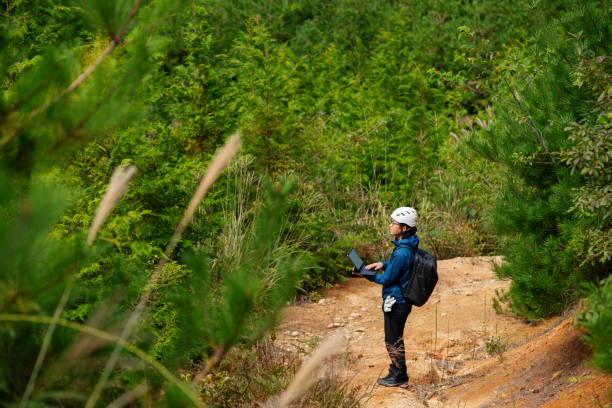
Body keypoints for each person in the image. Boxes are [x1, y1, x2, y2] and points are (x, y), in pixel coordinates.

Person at [364, 206, 418, 388]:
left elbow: (388, 279)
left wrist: (366, 274)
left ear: (404, 228)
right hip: (401, 300)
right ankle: (397, 372)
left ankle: (399, 377)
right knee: (396, 338)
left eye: (394, 223)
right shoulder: (407, 244)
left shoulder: (402, 252)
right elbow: (399, 268)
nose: (390, 225)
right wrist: (382, 263)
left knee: (392, 340)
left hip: (397, 302)